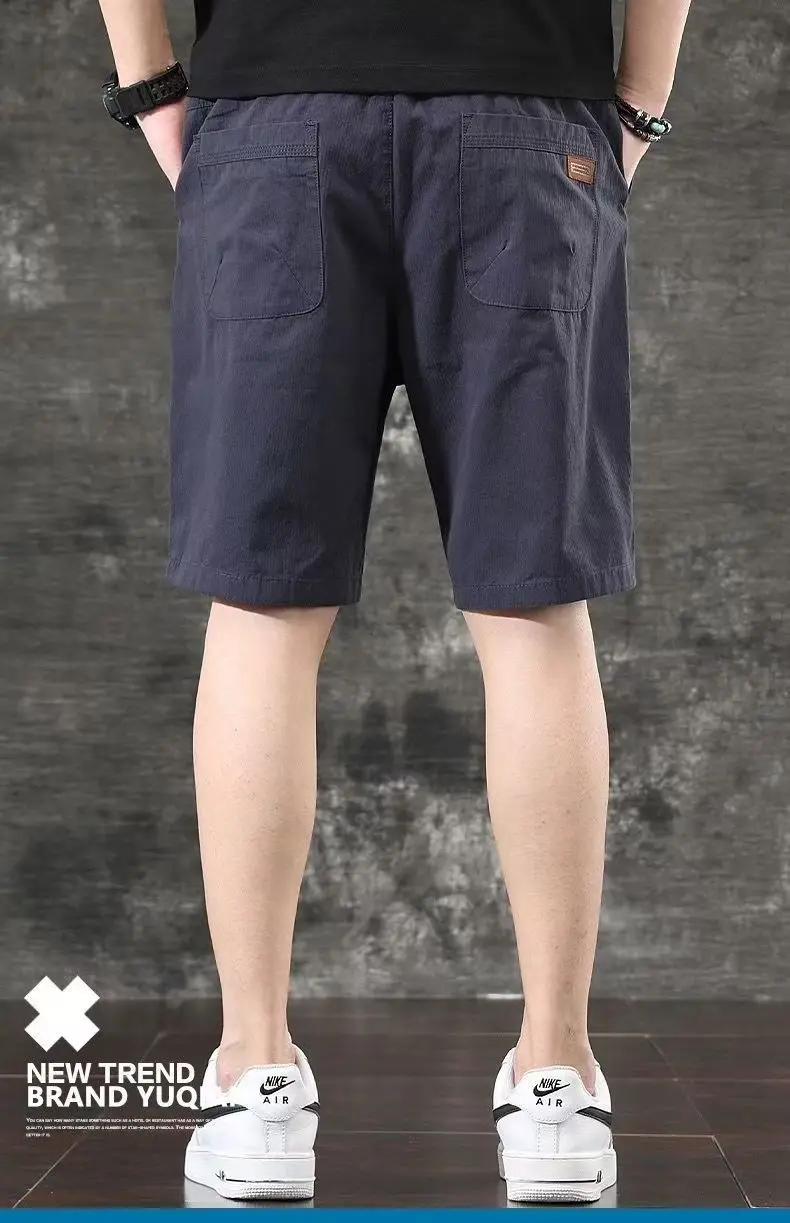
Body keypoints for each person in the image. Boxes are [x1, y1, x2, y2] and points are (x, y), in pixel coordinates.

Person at [98, 0, 692, 1203]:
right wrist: (636, 101)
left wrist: (154, 91)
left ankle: (256, 1080)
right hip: (523, 108)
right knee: (533, 609)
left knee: (263, 610)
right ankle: (555, 1080)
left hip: (276, 116)